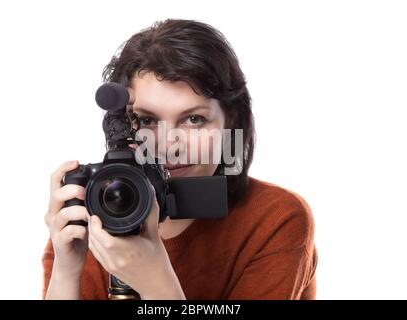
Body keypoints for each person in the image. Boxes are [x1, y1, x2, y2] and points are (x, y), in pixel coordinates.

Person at [42, 19, 318, 300]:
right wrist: (66, 271)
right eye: (147, 120)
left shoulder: (274, 218)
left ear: (230, 121)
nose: (169, 144)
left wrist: (156, 282)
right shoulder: (91, 212)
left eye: (194, 119)